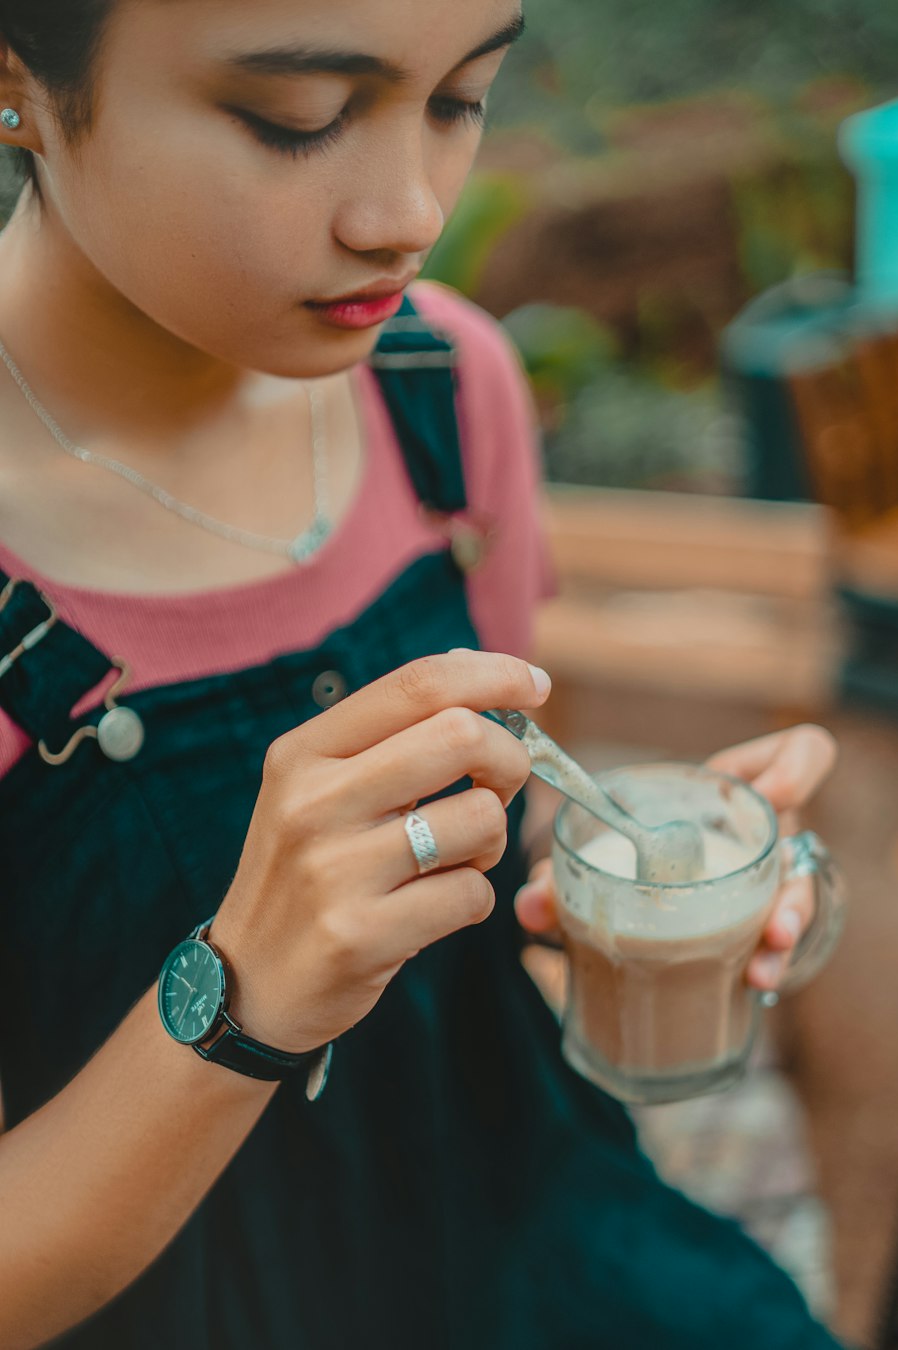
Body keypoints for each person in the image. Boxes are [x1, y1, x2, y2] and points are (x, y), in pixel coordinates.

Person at [0, 1, 843, 1346]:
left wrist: (646, 885)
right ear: (23, 89)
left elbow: (496, 862)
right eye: (301, 121)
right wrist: (243, 990)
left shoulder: (444, 390)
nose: (405, 214)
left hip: (518, 1212)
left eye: (464, 98)